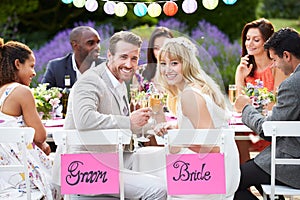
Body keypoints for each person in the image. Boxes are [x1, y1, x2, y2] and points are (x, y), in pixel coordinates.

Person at [53, 31, 167, 199]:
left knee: (159, 161)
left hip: (111, 159)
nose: (129, 64)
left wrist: (157, 126)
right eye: (123, 57)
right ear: (109, 55)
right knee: (158, 189)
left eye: (134, 59)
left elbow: (123, 126)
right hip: (83, 170)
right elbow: (85, 120)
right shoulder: (90, 81)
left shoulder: (119, 82)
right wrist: (128, 121)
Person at [155, 37, 240, 200]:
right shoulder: (199, 87)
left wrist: (177, 140)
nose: (167, 70)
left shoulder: (189, 95)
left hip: (211, 176)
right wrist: (176, 129)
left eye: (174, 63)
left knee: (147, 180)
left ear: (187, 64)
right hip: (219, 171)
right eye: (163, 64)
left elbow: (212, 147)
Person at [234, 27, 300, 200]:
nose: (274, 65)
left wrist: (246, 108)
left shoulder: (292, 84)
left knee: (227, 181)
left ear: (286, 55)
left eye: (275, 59)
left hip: (291, 164)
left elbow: (268, 130)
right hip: (288, 158)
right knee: (249, 167)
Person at [0, 38, 55, 198]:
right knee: (62, 172)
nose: (34, 72)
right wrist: (42, 143)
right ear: (18, 64)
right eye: (31, 66)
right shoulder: (21, 92)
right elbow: (40, 136)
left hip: (3, 177)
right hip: (21, 176)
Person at [234, 18, 288, 163]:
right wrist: (239, 77)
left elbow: (275, 102)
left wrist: (248, 106)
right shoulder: (245, 69)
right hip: (249, 126)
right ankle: (244, 180)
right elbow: (238, 105)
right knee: (236, 136)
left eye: (256, 40)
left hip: (270, 126)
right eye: (247, 39)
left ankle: (253, 177)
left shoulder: (277, 67)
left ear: (267, 42)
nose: (249, 44)